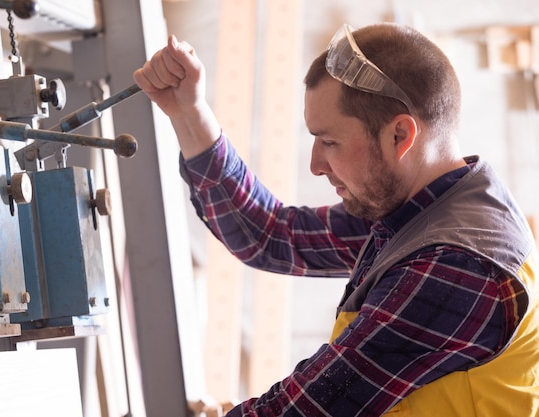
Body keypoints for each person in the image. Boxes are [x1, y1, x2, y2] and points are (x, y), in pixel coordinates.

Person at [134, 22, 539, 416]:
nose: (315, 164)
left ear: (400, 135)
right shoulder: (420, 210)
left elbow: (312, 407)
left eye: (329, 142)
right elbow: (271, 235)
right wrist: (189, 112)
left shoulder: (458, 267)